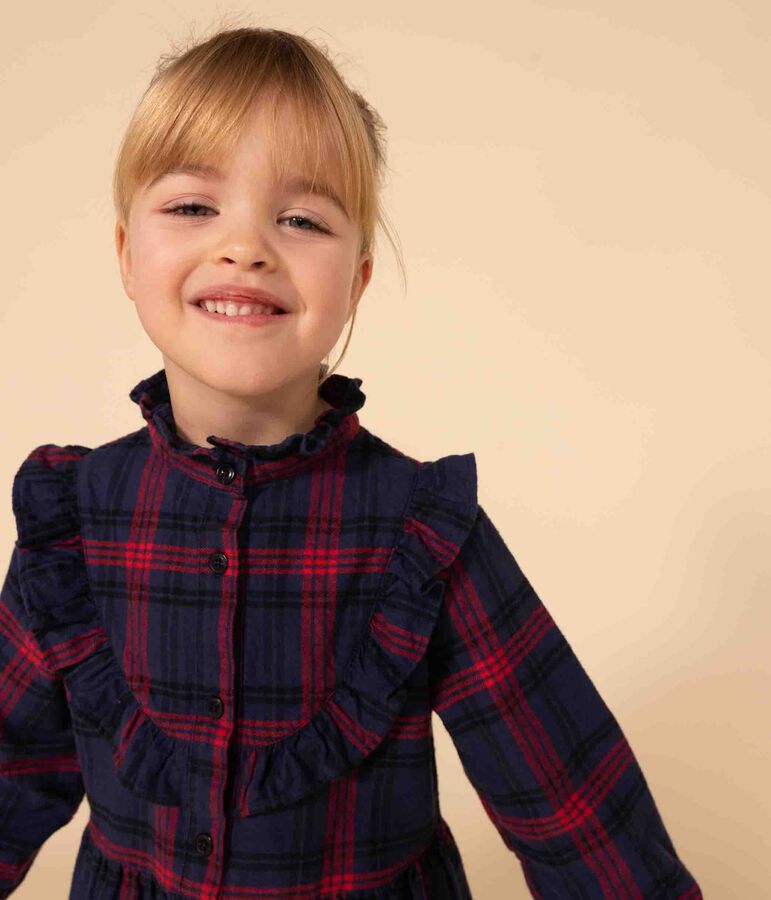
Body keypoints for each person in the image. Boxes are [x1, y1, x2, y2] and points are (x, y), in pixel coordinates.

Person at [0, 24, 702, 900]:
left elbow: (572, 804)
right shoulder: (74, 524)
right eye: (191, 207)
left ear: (357, 282)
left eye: (300, 219)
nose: (244, 246)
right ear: (125, 257)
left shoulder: (422, 531)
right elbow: (10, 772)